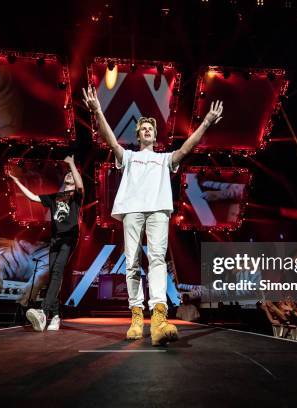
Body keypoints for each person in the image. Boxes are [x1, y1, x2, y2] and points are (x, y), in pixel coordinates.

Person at [82, 85, 223, 346]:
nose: (147, 130)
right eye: (143, 128)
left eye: (150, 128)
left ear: (155, 135)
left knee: (157, 259)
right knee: (132, 262)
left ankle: (159, 318)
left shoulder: (164, 158)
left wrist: (205, 123)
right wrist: (98, 111)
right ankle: (136, 316)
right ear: (138, 134)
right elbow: (110, 140)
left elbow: (186, 149)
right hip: (133, 209)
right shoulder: (130, 156)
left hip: (159, 209)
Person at [9, 155, 84, 331]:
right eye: (68, 174)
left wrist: (72, 164)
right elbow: (34, 198)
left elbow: (80, 185)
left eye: (72, 175)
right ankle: (56, 315)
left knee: (57, 271)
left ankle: (43, 312)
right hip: (55, 239)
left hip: (69, 237)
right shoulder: (54, 197)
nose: (69, 176)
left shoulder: (76, 196)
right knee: (53, 275)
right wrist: (16, 181)